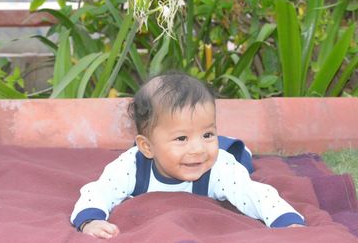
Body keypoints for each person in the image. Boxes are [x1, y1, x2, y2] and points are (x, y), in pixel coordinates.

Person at [70, 72, 305, 239]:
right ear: (147, 147)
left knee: (236, 157)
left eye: (207, 133)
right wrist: (91, 220)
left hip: (226, 156)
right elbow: (98, 190)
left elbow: (255, 194)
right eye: (181, 138)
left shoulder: (218, 168)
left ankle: (234, 148)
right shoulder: (131, 166)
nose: (197, 149)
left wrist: (285, 220)